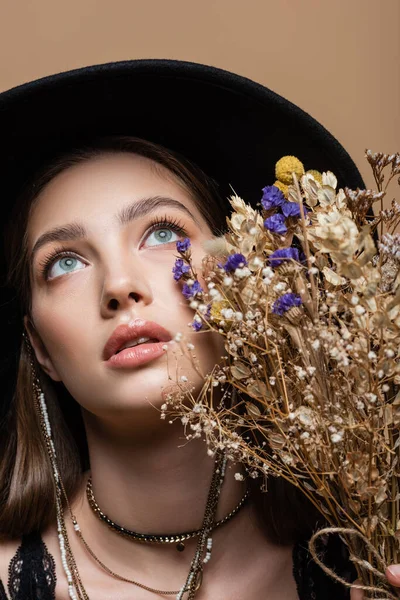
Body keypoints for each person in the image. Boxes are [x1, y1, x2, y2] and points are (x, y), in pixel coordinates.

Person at [0, 60, 398, 600]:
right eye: (65, 263)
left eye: (162, 232)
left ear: (244, 276)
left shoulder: (370, 558)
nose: (119, 285)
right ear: (41, 347)